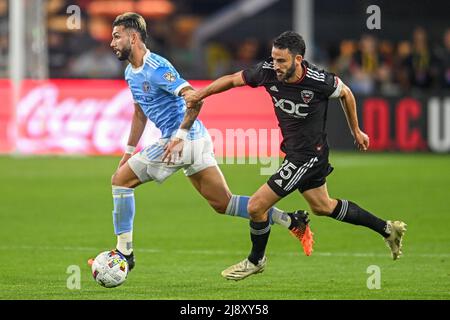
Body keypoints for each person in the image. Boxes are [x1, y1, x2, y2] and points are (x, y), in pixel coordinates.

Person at [88, 15, 314, 271]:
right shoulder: (131, 72)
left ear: (133, 37)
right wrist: (129, 151)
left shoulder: (157, 67)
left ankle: (124, 253)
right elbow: (140, 112)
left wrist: (179, 137)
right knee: (223, 203)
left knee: (120, 181)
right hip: (198, 140)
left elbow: (194, 99)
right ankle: (291, 221)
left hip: (183, 141)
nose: (112, 42)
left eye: (116, 36)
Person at [183, 31, 407, 281]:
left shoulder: (319, 81)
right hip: (296, 152)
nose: (275, 66)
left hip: (308, 155)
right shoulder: (267, 71)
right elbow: (234, 79)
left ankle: (255, 261)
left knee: (257, 206)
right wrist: (200, 94)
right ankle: (387, 229)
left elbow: (346, 93)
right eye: (273, 59)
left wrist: (356, 130)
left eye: (282, 61)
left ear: (298, 59)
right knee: (323, 206)